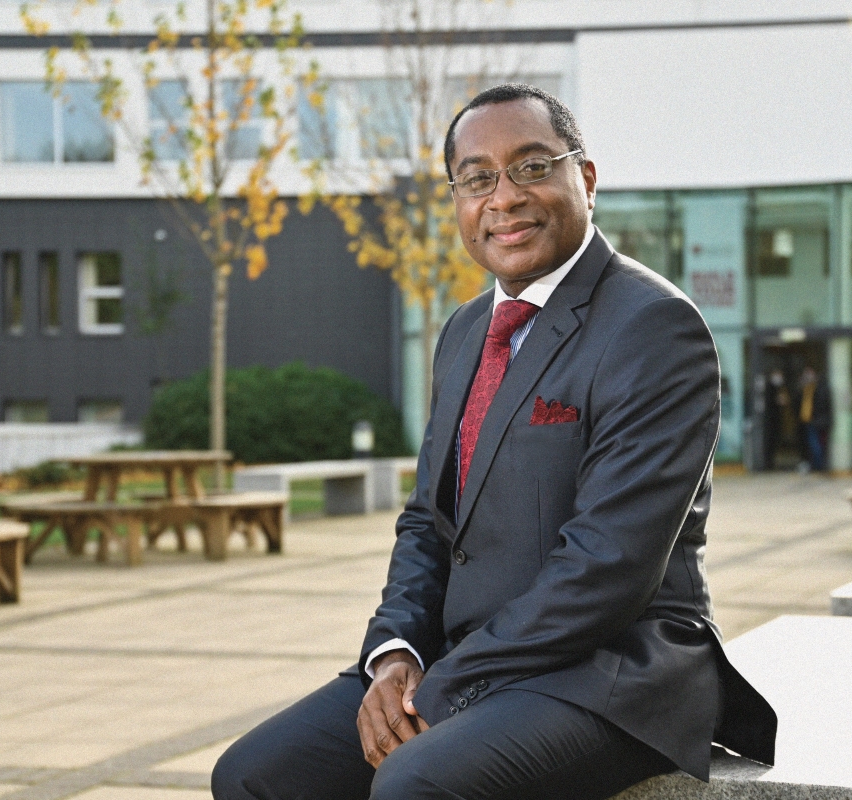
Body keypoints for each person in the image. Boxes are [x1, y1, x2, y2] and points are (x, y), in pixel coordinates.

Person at [212, 84, 776, 800]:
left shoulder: (654, 327)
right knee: (254, 775)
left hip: (611, 671)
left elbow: (608, 568)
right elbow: (427, 522)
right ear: (458, 200)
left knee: (414, 781)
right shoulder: (466, 331)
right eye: (478, 178)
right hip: (466, 657)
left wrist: (444, 684)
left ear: (587, 179)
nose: (504, 197)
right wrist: (396, 657)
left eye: (533, 167)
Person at [796, 366, 832, 472]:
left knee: (816, 444)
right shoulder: (805, 388)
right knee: (812, 444)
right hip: (806, 420)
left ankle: (819, 466)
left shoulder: (820, 388)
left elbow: (824, 405)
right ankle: (816, 465)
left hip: (816, 421)